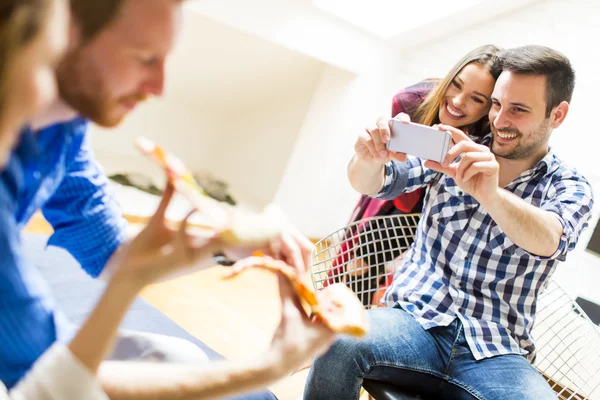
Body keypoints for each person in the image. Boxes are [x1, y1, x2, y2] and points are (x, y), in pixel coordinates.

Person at [0, 0, 328, 398]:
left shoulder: (65, 129)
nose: (160, 87)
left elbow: (111, 253)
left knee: (177, 356)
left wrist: (233, 243)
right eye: (145, 58)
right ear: (64, 36)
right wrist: (268, 368)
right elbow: (51, 384)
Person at [305, 45, 594, 399]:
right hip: (414, 322)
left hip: (496, 350)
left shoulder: (570, 186)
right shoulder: (454, 147)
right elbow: (375, 182)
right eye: (497, 104)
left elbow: (551, 238)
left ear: (558, 115)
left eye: (518, 110)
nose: (500, 121)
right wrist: (367, 158)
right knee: (338, 340)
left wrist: (492, 195)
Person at [337, 45, 501, 306]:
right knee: (360, 260)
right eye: (456, 85)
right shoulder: (411, 101)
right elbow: (392, 183)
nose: (458, 101)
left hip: (438, 207)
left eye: (476, 99)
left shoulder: (487, 138)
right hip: (397, 190)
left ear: (489, 108)